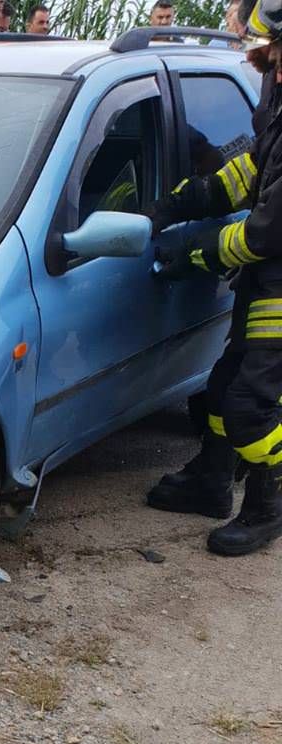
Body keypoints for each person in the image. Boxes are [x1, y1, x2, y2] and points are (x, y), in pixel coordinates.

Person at [146, 0, 282, 556]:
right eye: (269, 56)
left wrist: (195, 252)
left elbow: (263, 233)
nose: (271, 66)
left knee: (252, 404)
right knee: (225, 389)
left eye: (278, 53)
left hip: (276, 271)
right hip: (266, 278)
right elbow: (252, 170)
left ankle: (269, 505)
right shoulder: (277, 95)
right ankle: (211, 482)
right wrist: (177, 205)